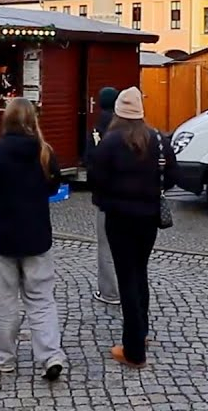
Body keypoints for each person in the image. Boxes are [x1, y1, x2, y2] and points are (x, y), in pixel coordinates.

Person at [0, 97, 66, 381]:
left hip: (0, 236)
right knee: (42, 299)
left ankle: (4, 358)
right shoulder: (44, 152)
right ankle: (50, 354)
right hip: (36, 235)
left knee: (1, 301)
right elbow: (54, 185)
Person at [87, 87, 177, 369]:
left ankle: (134, 350)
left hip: (119, 218)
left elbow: (95, 179)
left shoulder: (111, 142)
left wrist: (110, 196)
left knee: (126, 278)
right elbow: (173, 176)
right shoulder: (159, 140)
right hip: (149, 217)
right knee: (140, 272)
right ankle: (142, 331)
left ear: (118, 112)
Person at [87, 86, 120, 306]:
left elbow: (89, 161)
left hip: (105, 197)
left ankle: (109, 292)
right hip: (129, 196)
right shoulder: (129, 128)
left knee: (106, 246)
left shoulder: (97, 129)